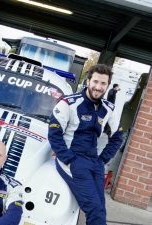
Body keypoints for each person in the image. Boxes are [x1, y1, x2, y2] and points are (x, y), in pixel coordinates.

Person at [48, 64, 123, 225]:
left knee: (100, 209)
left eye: (103, 83)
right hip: (73, 161)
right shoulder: (68, 103)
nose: (98, 87)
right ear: (88, 81)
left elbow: (118, 136)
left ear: (108, 85)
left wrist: (103, 159)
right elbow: (54, 134)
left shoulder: (109, 108)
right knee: (94, 210)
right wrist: (69, 159)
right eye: (95, 81)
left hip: (95, 162)